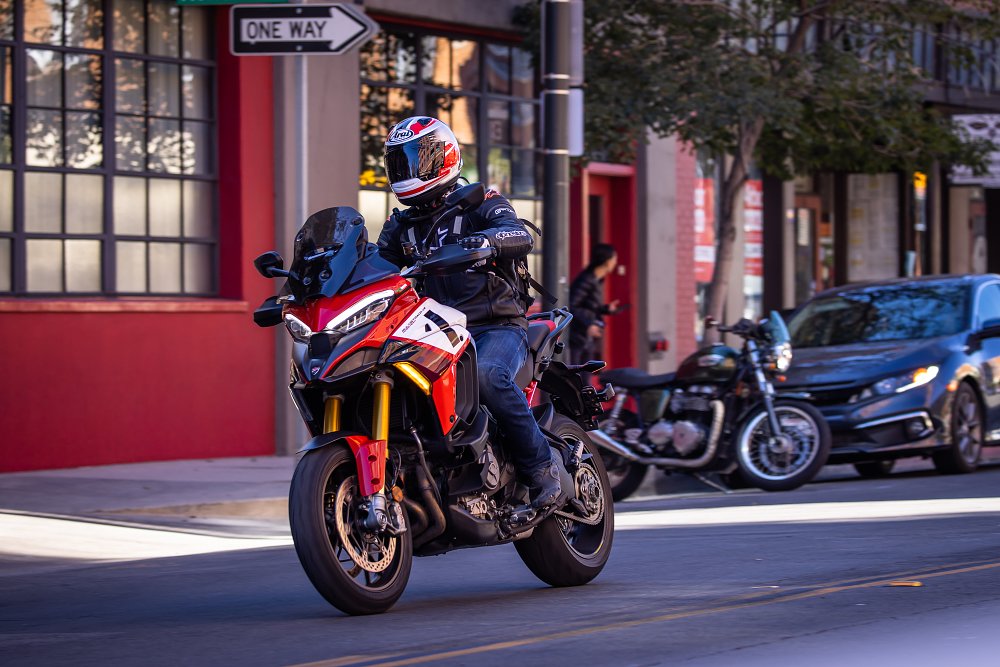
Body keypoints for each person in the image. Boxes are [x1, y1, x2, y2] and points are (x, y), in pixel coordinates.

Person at [375, 116, 562, 509]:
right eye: (400, 162)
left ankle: (542, 469)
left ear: (445, 155)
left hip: (494, 326)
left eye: (418, 158)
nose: (408, 169)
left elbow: (517, 233)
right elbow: (375, 267)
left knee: (487, 375)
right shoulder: (400, 227)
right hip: (434, 333)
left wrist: (487, 241)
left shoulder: (481, 202)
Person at [568, 244, 622, 365]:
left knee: (587, 371)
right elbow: (572, 306)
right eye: (614, 259)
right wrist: (588, 324)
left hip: (586, 337)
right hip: (578, 336)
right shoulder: (586, 280)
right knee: (577, 372)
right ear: (606, 261)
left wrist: (606, 309)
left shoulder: (597, 280)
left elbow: (588, 305)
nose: (615, 263)